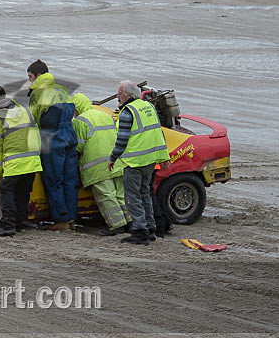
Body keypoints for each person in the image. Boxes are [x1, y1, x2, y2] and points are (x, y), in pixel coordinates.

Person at [108, 81, 171, 245]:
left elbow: (121, 140)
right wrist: (164, 157)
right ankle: (150, 229)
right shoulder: (148, 107)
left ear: (128, 95)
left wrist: (113, 158)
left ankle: (140, 231)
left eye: (119, 93)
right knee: (145, 194)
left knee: (132, 197)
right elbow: (158, 132)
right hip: (149, 161)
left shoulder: (127, 112)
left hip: (134, 162)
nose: (117, 96)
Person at [26, 60, 78, 229]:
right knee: (70, 179)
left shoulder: (37, 92)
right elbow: (73, 112)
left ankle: (61, 220)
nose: (29, 81)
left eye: (30, 76)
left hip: (52, 136)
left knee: (54, 179)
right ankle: (71, 218)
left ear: (38, 75)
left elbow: (32, 120)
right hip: (70, 135)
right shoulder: (63, 90)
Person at [0, 86, 42, 237]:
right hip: (33, 160)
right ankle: (21, 222)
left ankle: (8, 225)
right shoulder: (25, 111)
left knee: (6, 191)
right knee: (22, 192)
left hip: (15, 163)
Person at [71, 93, 130, 236]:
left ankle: (117, 225)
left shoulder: (80, 121)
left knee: (106, 196)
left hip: (96, 165)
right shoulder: (104, 115)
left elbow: (78, 147)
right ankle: (131, 222)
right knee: (121, 194)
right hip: (115, 161)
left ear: (77, 108)